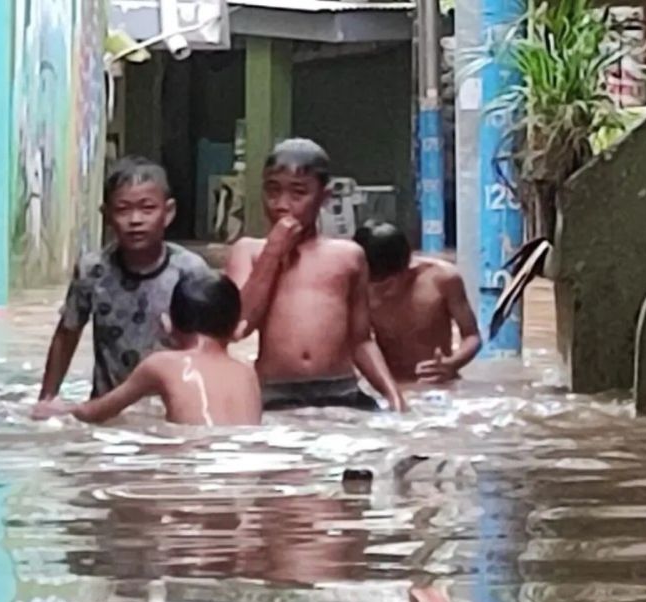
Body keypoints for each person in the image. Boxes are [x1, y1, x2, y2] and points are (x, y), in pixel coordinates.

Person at [224, 138, 406, 412]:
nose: (281, 205)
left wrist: (393, 395)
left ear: (324, 196)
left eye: (298, 193)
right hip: (275, 390)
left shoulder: (348, 256)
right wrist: (273, 253)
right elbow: (239, 325)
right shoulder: (248, 251)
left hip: (340, 388)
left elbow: (361, 340)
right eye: (272, 191)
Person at [33, 156, 212, 417]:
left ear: (169, 212)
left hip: (171, 409)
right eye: (123, 209)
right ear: (106, 216)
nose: (135, 220)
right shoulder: (92, 270)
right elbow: (67, 333)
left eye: (147, 208)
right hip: (106, 409)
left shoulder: (190, 271)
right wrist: (47, 398)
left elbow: (209, 347)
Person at [35, 271, 262, 426]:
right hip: (244, 466)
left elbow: (96, 412)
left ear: (167, 325)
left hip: (194, 467)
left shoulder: (162, 364)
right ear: (237, 329)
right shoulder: (248, 372)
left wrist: (60, 410)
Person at [356, 221, 481, 383]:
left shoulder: (443, 278)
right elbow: (356, 343)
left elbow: (472, 336)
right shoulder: (355, 285)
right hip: (389, 384)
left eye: (387, 284)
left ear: (407, 266)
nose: (383, 292)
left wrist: (451, 364)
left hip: (438, 384)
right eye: (373, 284)